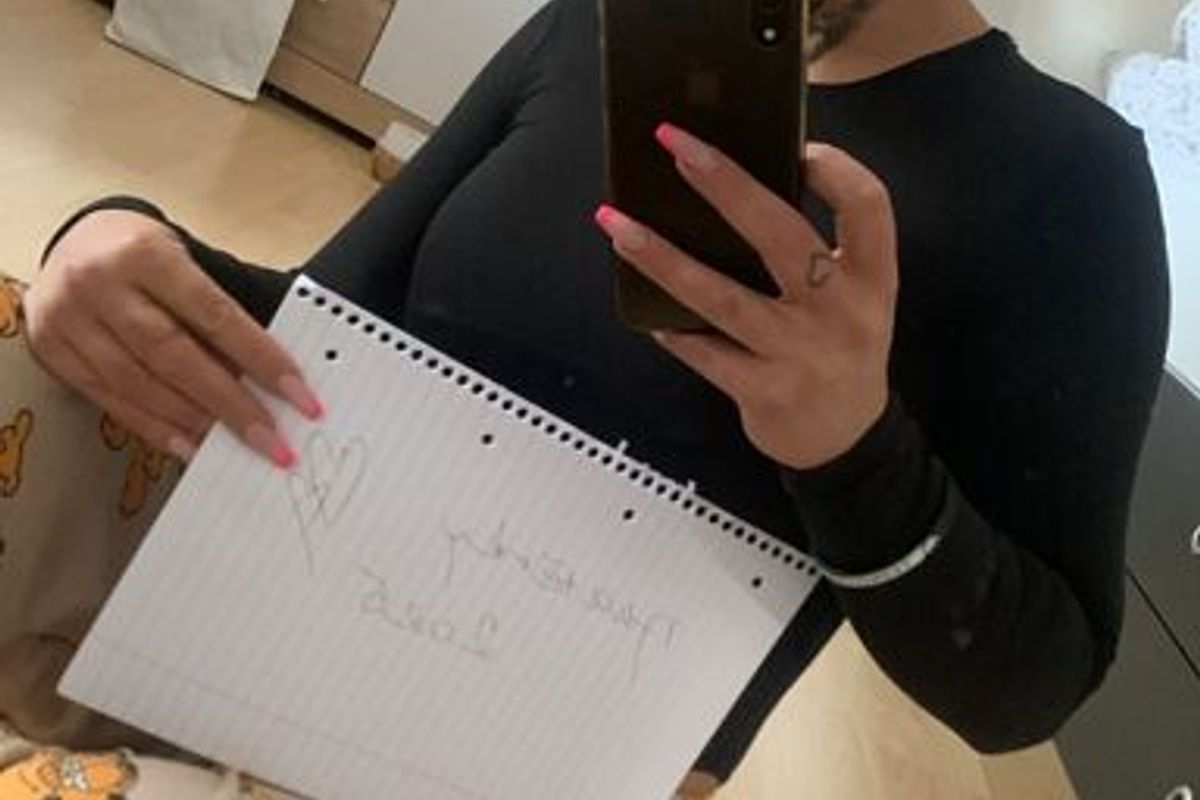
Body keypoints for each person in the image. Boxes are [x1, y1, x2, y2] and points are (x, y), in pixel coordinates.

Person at [2, 0, 1171, 795]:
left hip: (541, 762)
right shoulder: (605, 19)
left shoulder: (1069, 180)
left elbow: (1030, 684)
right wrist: (116, 240)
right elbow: (329, 330)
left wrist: (854, 449)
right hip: (254, 642)